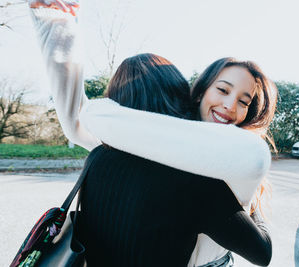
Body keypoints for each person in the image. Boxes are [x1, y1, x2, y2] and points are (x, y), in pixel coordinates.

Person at [28, 1, 275, 266]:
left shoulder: (97, 157)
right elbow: (263, 253)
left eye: (243, 101)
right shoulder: (200, 181)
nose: (229, 106)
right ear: (182, 94)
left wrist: (55, 23)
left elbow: (76, 113)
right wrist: (253, 210)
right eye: (223, 90)